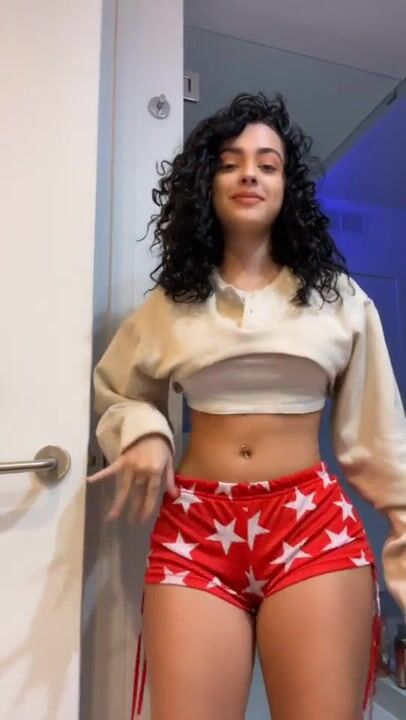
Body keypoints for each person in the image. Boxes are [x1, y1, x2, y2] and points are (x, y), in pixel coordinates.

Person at [88, 92, 406, 720]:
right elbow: (118, 392)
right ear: (207, 185)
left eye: (267, 163)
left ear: (287, 186)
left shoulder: (339, 299)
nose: (249, 175)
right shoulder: (168, 305)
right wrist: (145, 430)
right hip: (194, 530)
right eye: (230, 163)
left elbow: (379, 435)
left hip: (311, 528)